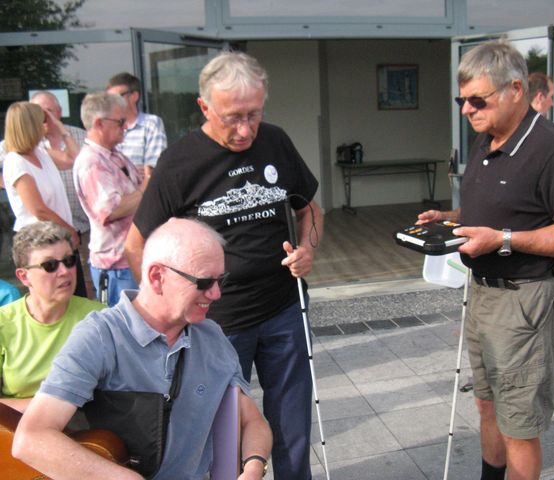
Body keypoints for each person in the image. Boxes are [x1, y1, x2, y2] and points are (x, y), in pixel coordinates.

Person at [124, 51, 323, 479]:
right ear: (204, 107)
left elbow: (308, 208)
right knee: (222, 431)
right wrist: (171, 310)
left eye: (254, 114)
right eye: (233, 117)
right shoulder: (179, 163)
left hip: (284, 307)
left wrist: (307, 248)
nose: (246, 129)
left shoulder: (276, 141)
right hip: (216, 322)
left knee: (292, 427)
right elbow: (137, 247)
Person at [417, 41, 554, 480]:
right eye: (461, 100)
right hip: (484, 294)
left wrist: (502, 239)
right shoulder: (488, 139)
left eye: (477, 100)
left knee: (518, 421)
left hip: (527, 300)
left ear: (515, 89)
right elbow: (502, 207)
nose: (466, 110)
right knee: (487, 403)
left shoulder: (551, 149)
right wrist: (449, 220)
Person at [13, 217, 272, 480]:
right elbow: (31, 439)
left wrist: (253, 466)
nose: (216, 294)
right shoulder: (100, 336)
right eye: (204, 283)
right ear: (157, 277)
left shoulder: (211, 336)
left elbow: (251, 420)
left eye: (221, 280)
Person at [0, 221, 103, 413]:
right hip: (16, 430)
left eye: (69, 261)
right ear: (24, 276)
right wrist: (50, 408)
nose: (64, 272)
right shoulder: (4, 323)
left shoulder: (100, 318)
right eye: (50, 265)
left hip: (90, 433)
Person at [2, 102, 86, 298]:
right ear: (31, 125)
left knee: (76, 294)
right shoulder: (16, 161)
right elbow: (38, 209)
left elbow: (75, 158)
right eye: (42, 122)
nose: (46, 125)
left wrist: (60, 128)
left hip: (58, 237)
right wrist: (70, 230)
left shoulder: (41, 153)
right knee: (55, 297)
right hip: (40, 243)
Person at [73, 92, 146, 306]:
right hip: (116, 267)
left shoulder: (113, 155)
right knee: (125, 331)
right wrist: (147, 186)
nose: (125, 127)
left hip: (129, 260)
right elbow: (111, 210)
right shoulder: (92, 162)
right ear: (99, 123)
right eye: (121, 121)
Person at [29, 91, 94, 297]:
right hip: (48, 232)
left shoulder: (79, 136)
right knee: (58, 284)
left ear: (59, 112)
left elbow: (79, 161)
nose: (44, 117)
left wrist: (60, 129)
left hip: (83, 225)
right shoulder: (29, 145)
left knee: (87, 281)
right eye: (37, 112)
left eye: (48, 111)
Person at [106, 72, 167, 178]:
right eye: (108, 99)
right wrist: (132, 171)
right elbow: (102, 168)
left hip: (143, 193)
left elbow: (153, 170)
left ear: (134, 96)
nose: (112, 102)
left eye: (116, 97)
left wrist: (117, 172)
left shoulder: (151, 124)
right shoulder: (107, 127)